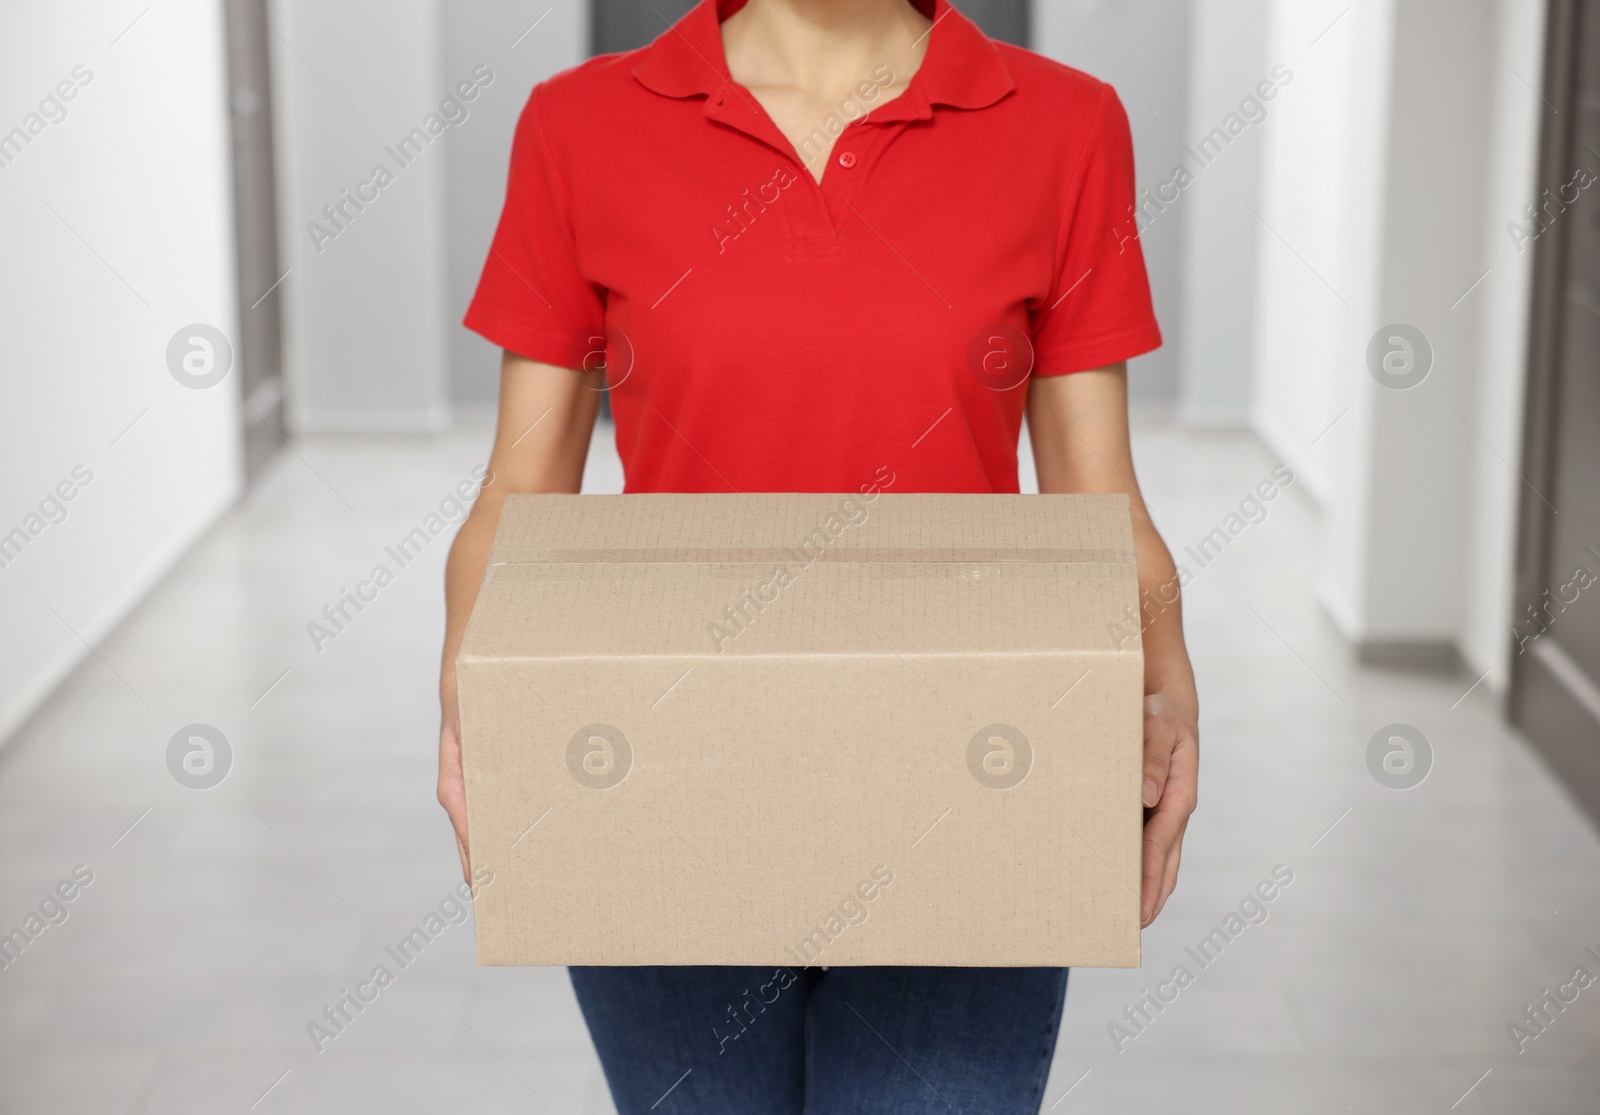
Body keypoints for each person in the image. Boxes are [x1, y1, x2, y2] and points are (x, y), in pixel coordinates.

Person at [437, 0, 1198, 1109]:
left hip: (974, 761)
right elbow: (519, 491)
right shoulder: (581, 124)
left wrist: (1167, 698)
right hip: (664, 758)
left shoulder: (1063, 124)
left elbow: (1098, 497)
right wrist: (474, 711)